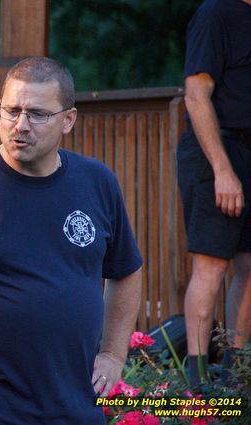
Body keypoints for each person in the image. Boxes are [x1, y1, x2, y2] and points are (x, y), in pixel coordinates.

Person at [0, 56, 143, 425]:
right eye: (11, 111)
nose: (20, 125)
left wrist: (114, 355)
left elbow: (126, 270)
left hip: (76, 407)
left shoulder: (96, 182)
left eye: (38, 114)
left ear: (68, 120)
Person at [177, 0, 251, 387]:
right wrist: (224, 171)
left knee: (250, 266)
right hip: (215, 152)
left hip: (249, 151)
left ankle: (235, 374)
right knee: (212, 265)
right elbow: (195, 95)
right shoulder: (215, 14)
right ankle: (197, 381)